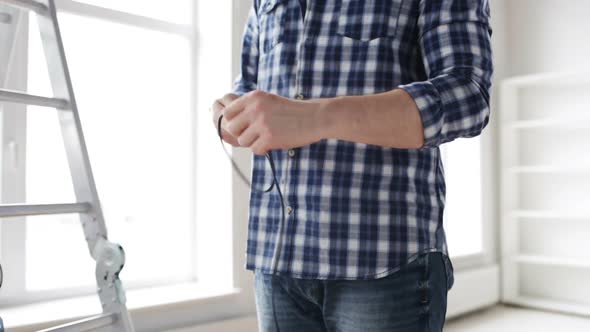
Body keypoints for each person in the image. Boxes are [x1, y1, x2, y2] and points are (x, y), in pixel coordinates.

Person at [211, 0, 493, 331]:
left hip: (384, 260)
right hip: (276, 256)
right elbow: (248, 85)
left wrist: (314, 117)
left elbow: (467, 94)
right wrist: (228, 114)